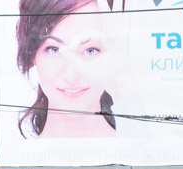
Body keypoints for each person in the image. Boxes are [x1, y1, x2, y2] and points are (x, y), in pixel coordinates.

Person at [16, 0, 118, 139]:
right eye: (54, 50)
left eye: (90, 50)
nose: (72, 75)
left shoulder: (140, 152)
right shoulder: (18, 158)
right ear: (33, 54)